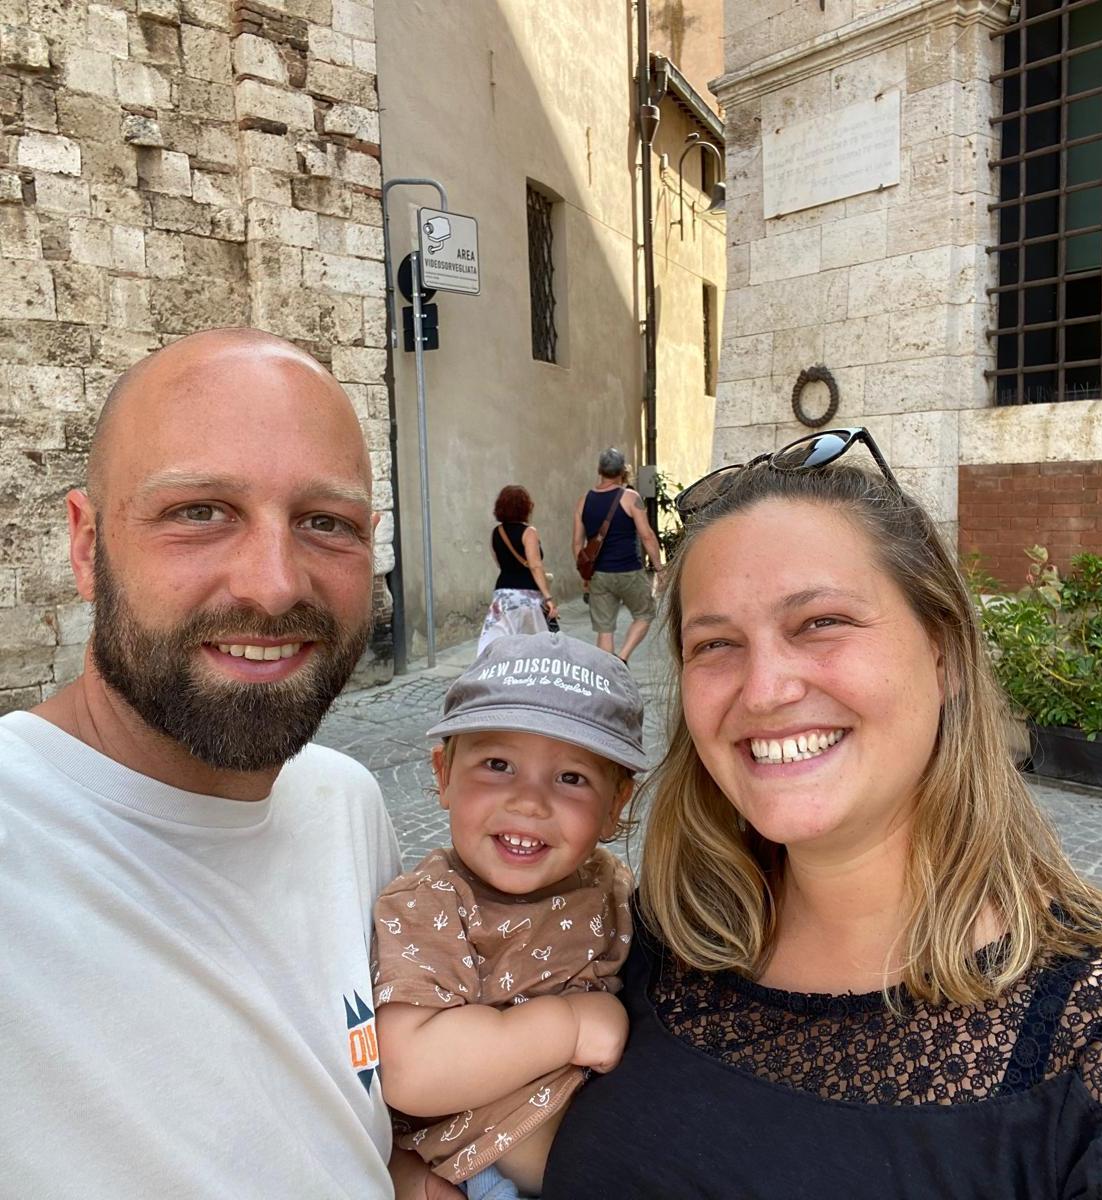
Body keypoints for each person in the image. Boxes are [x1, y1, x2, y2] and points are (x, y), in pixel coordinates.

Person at [542, 428, 1102, 1198]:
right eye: (715, 644)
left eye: (820, 623)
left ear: (943, 653)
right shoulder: (654, 940)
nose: (764, 691)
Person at [0, 328, 409, 1199]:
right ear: (86, 546)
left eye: (325, 523)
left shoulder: (347, 804)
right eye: (200, 512)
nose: (274, 585)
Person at [373, 631, 646, 1200]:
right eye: (498, 764)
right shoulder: (431, 902)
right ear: (444, 774)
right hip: (489, 1175)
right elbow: (409, 1069)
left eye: (571, 778)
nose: (529, 802)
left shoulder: (609, 884)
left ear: (615, 805)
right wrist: (569, 1027)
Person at [572, 448, 663, 664]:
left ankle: (608, 670)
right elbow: (647, 536)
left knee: (605, 630)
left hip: (599, 574)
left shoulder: (584, 500)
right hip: (629, 571)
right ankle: (622, 658)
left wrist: (586, 574)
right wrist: (659, 568)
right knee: (644, 614)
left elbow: (576, 544)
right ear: (623, 471)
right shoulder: (631, 498)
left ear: (599, 470)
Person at [478, 485, 558, 655]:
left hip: (503, 593)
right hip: (527, 594)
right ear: (525, 507)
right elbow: (535, 566)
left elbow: (499, 562)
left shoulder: (496, 532)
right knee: (533, 646)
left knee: (499, 641)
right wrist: (548, 597)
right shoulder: (529, 532)